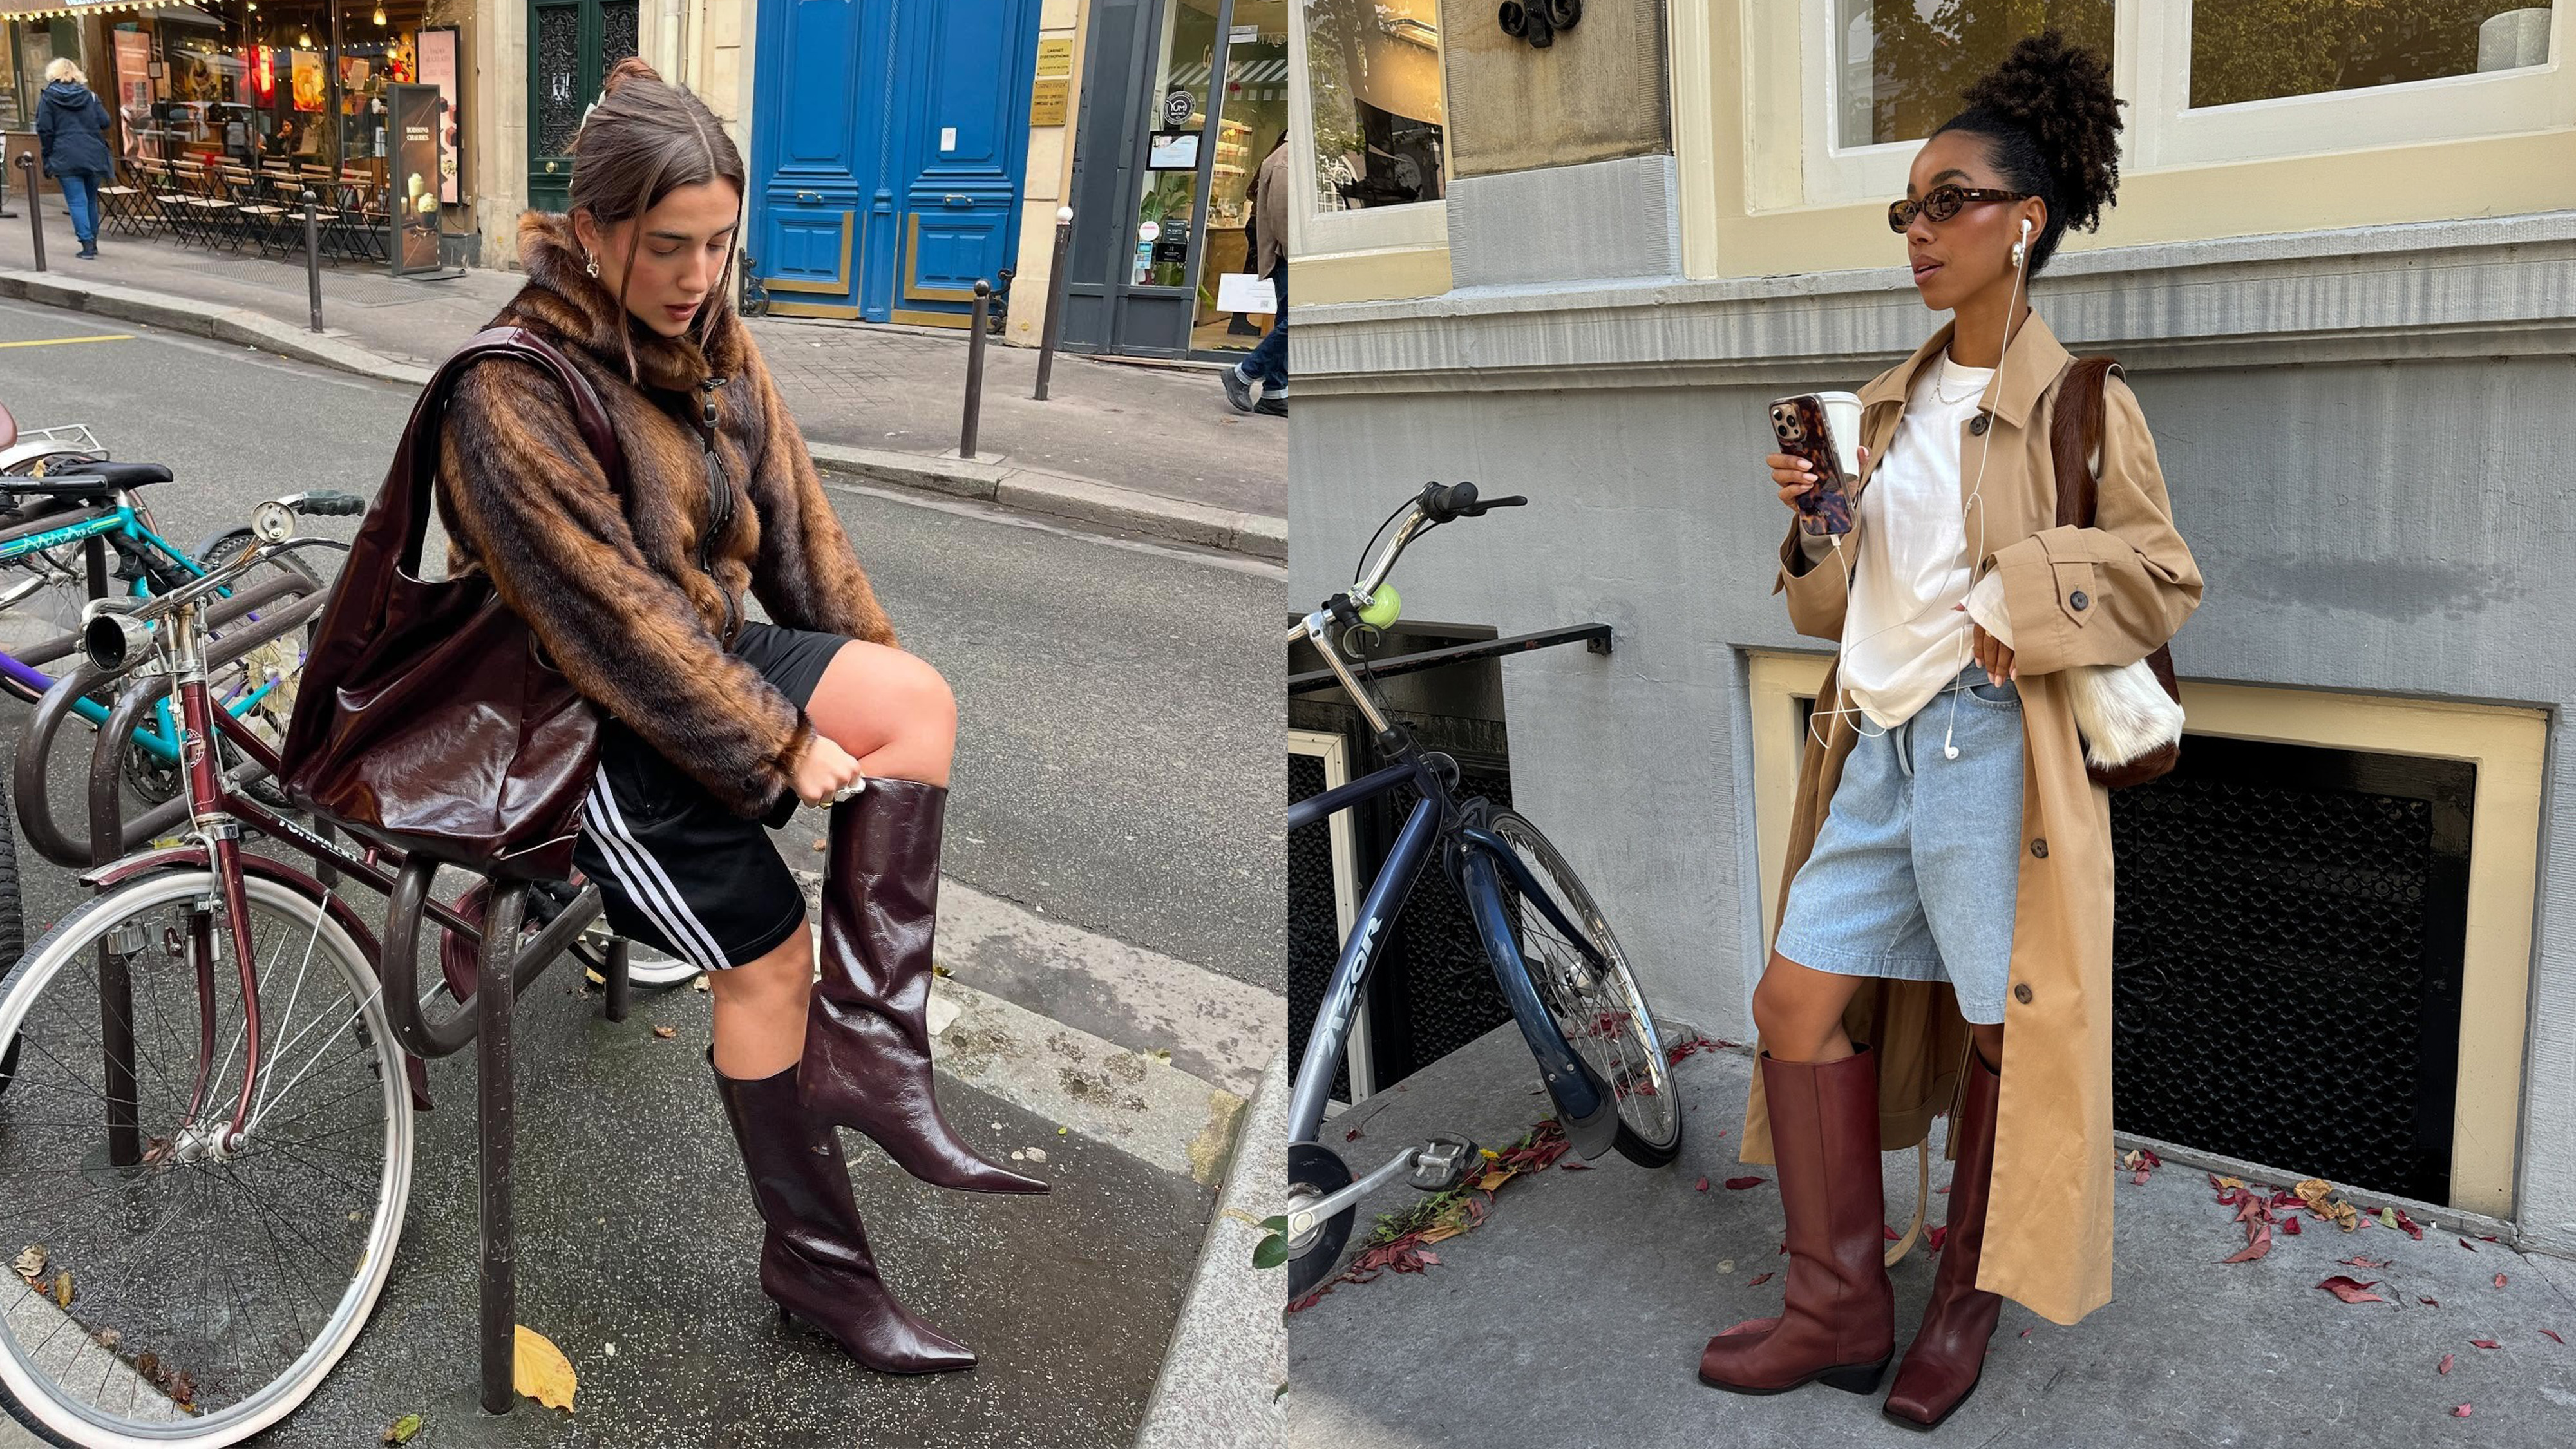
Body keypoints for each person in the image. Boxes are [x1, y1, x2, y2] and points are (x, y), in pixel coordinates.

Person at [431, 56, 1045, 1378]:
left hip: (692, 660)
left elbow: (800, 537)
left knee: (917, 702)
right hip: (572, 720)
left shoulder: (709, 340)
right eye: (667, 246)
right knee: (766, 960)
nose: (700, 273)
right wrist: (779, 747)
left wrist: (854, 681)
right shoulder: (509, 394)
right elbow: (610, 626)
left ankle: (876, 1060)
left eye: (718, 241)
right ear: (589, 230)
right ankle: (819, 1273)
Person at [1702, 33, 2199, 1430]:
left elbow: (2161, 575)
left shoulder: (2078, 405)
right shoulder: (1887, 403)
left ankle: (1958, 1309)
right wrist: (1813, 518)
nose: (1917, 231)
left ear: (2021, 221)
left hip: (1994, 753)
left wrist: (2025, 590)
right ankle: (1836, 1309)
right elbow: (1829, 606)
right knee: (1791, 1007)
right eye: (1905, 209)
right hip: (1869, 745)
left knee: (2003, 1032)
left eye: (1948, 201)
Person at [1222, 131, 1289, 417]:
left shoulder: (1286, 157)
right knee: (1299, 320)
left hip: (1284, 255)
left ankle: (1274, 392)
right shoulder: (1288, 160)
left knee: (1288, 320)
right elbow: (1284, 216)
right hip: (1288, 256)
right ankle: (1243, 374)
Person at [33, 59, 113, 260]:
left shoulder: (48, 98)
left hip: (64, 154)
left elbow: (44, 129)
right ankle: (93, 242)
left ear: (53, 74)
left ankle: (86, 244)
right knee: (90, 200)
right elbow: (105, 122)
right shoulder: (90, 96)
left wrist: (48, 156)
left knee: (77, 201)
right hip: (92, 153)